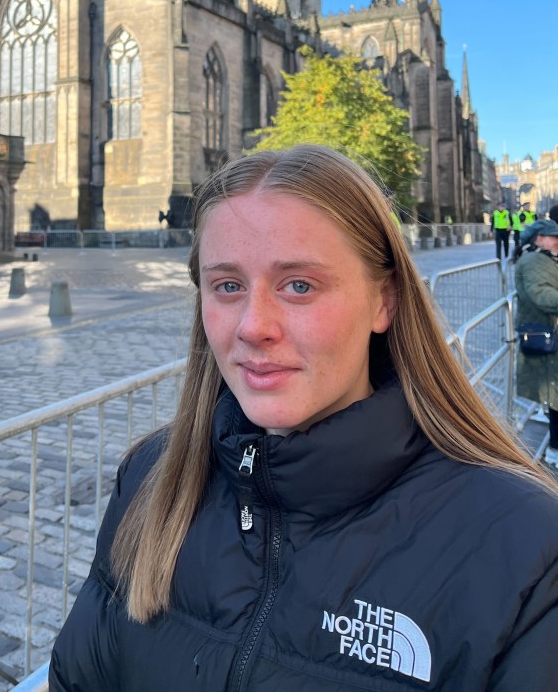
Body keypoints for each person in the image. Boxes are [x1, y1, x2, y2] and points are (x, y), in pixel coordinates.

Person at [50, 145, 558, 691]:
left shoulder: (527, 550)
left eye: (299, 285)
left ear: (384, 302)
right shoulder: (150, 478)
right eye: (227, 286)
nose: (252, 326)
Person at [515, 218, 558, 466]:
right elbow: (541, 294)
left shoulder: (545, 258)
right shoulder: (533, 261)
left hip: (550, 333)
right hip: (546, 336)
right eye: (554, 236)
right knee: (555, 396)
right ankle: (554, 450)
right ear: (539, 238)